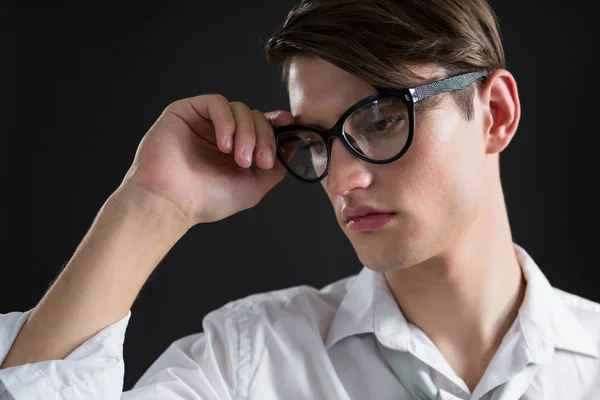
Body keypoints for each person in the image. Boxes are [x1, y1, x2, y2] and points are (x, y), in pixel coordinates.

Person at [1, 0, 598, 398]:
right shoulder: (248, 365)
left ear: (494, 113)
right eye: (317, 140)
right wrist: (152, 205)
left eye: (383, 119)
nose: (341, 181)